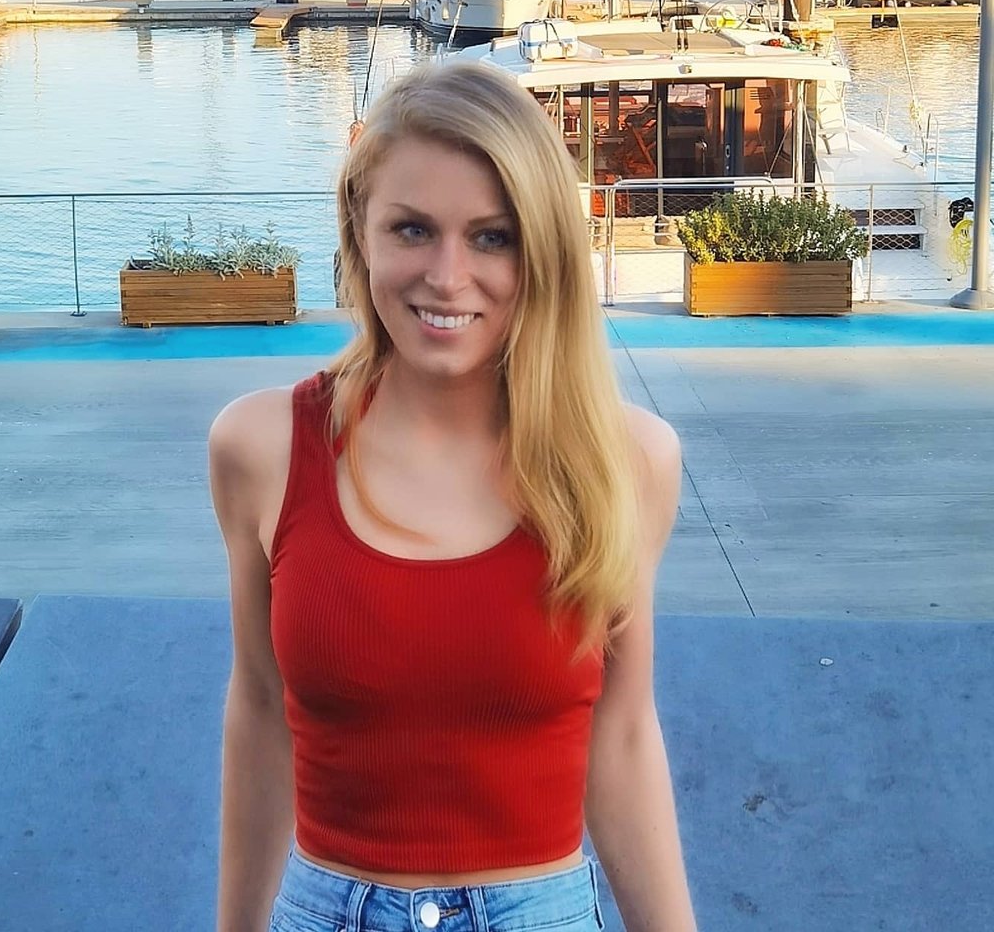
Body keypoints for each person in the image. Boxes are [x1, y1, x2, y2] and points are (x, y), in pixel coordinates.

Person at [209, 60, 697, 932]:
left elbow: (622, 739)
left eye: (491, 238)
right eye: (412, 229)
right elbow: (259, 711)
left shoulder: (627, 463)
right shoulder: (261, 449)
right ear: (360, 231)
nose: (446, 275)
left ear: (541, 250)